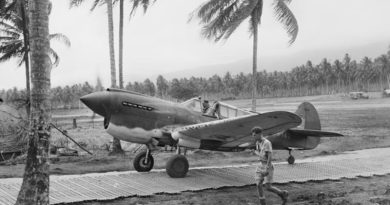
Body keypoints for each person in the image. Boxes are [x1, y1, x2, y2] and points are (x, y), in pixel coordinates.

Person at [252, 126, 288, 205]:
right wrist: (256, 152)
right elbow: (261, 154)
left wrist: (267, 168)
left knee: (268, 187)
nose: (253, 136)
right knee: (258, 184)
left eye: (254, 135)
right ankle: (263, 203)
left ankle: (282, 193)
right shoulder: (257, 143)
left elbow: (269, 156)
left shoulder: (267, 143)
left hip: (267, 166)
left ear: (260, 134)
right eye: (253, 135)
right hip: (260, 165)